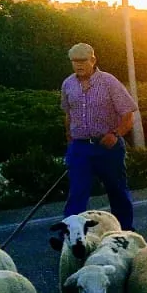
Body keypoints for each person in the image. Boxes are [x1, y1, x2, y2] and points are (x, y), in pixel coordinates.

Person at [60, 43, 137, 231]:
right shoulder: (68, 83)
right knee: (77, 192)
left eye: (83, 61)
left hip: (108, 146)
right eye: (74, 62)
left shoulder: (109, 82)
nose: (78, 65)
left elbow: (128, 115)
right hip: (80, 147)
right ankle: (70, 235)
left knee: (117, 190)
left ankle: (125, 231)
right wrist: (70, 143)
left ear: (93, 60)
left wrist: (115, 134)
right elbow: (68, 115)